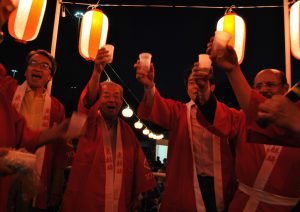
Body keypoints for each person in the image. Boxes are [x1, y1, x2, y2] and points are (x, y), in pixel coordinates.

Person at [204, 38, 300, 211]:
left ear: (286, 87)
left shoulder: (295, 114)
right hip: (241, 203)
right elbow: (217, 114)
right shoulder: (244, 117)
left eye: (270, 85)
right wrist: (206, 91)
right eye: (258, 86)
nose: (263, 90)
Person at [61, 47, 156, 212]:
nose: (112, 100)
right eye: (106, 96)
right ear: (98, 100)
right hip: (88, 198)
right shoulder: (88, 123)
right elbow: (88, 101)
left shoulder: (127, 131)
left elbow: (138, 164)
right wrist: (97, 71)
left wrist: (138, 195)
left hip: (120, 199)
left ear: (121, 102)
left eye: (117, 97)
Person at [135, 58, 237, 211]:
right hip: (187, 182)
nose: (196, 86)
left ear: (212, 86)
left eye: (200, 81)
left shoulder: (227, 114)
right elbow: (156, 105)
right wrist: (149, 87)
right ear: (186, 88)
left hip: (221, 182)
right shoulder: (179, 112)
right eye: (191, 83)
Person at [0, 49, 74, 211]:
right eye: (33, 63)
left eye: (45, 66)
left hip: (36, 175)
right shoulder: (7, 89)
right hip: (4, 166)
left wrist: (56, 187)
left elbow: (61, 150)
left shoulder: (56, 107)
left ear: (50, 77)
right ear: (25, 71)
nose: (37, 68)